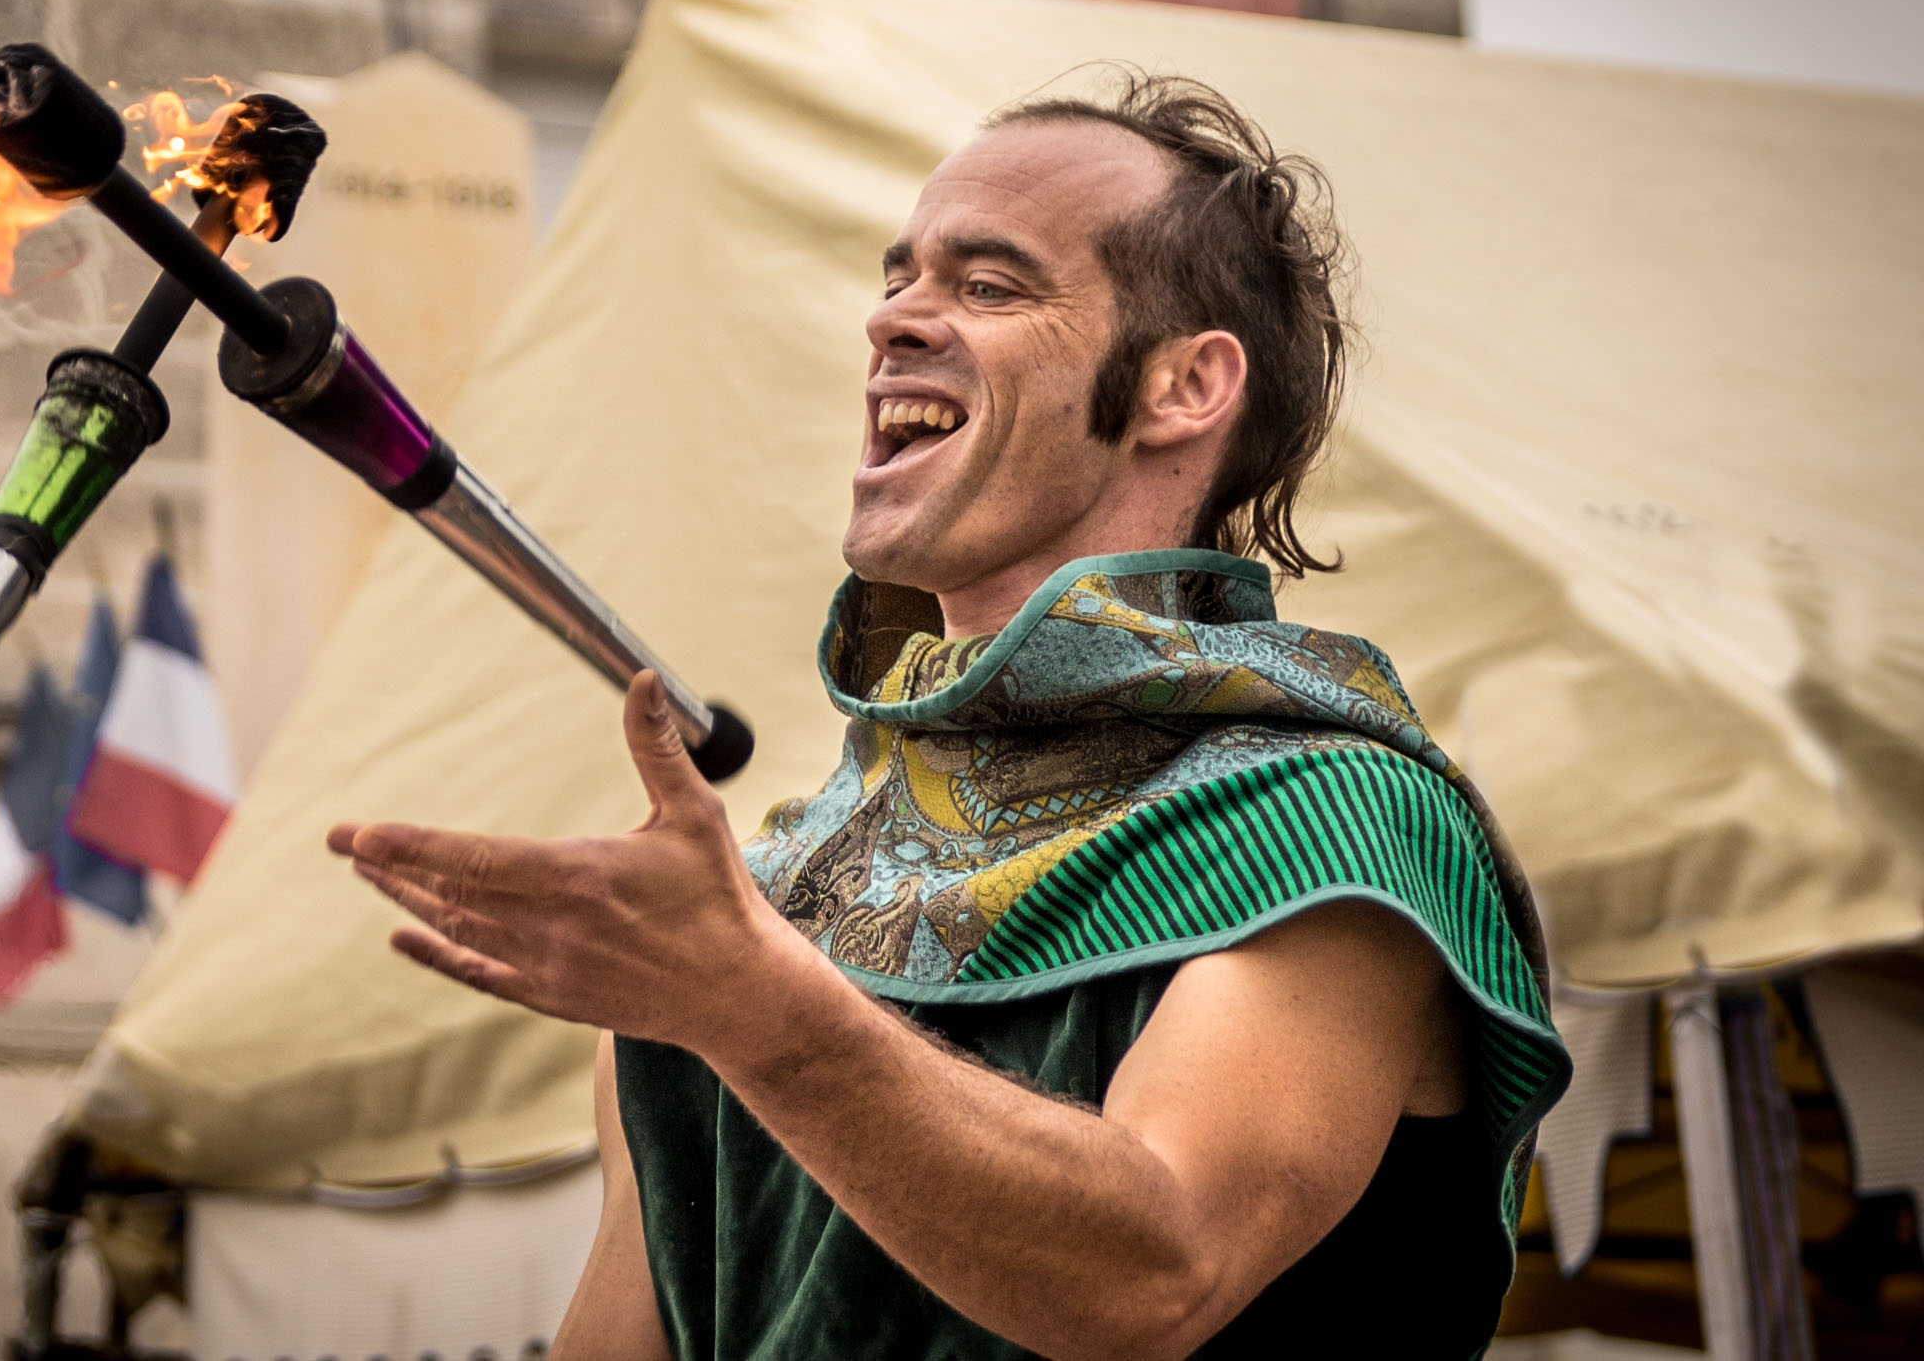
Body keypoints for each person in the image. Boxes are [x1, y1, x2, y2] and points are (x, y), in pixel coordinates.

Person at [329, 74, 1568, 1359]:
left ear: (1182, 385)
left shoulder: (1338, 819)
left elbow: (1154, 1270)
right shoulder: (751, 894)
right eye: (897, 276)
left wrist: (756, 1007)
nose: (891, 322)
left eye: (987, 285)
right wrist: (726, 987)